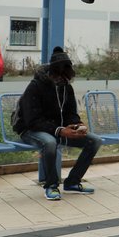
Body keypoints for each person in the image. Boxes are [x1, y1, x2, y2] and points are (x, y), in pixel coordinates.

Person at [19, 50, 101, 200]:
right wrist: (60, 130)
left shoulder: (66, 87)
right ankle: (51, 185)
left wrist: (77, 124)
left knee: (94, 141)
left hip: (57, 129)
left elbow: (71, 113)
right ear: (52, 73)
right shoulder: (35, 87)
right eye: (60, 77)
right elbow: (32, 120)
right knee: (49, 143)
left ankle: (72, 182)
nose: (63, 81)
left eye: (66, 78)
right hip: (30, 129)